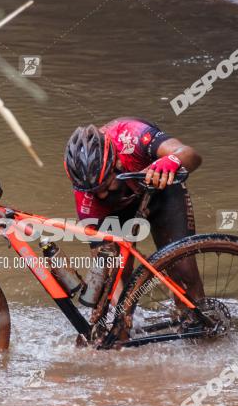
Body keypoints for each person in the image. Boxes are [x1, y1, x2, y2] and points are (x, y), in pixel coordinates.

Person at [63, 117, 204, 303]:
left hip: (161, 193)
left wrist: (172, 160)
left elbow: (192, 155)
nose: (102, 195)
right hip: (117, 212)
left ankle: (201, 323)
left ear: (116, 163)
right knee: (116, 276)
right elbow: (105, 265)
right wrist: (118, 315)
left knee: (184, 271)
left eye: (105, 185)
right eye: (95, 192)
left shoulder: (132, 135)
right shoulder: (85, 194)